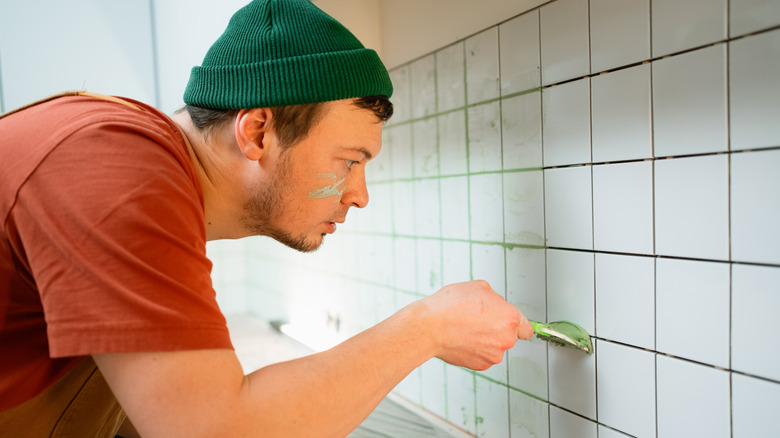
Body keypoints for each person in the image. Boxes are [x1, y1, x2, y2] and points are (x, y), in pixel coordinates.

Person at [0, 0, 534, 436]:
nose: (359, 195)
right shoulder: (117, 167)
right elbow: (216, 432)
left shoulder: (132, 163)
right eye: (349, 161)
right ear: (257, 132)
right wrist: (428, 329)